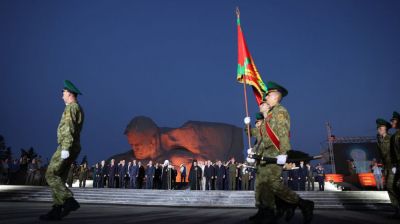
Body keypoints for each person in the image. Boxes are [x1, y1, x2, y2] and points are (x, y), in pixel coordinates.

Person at [244, 82, 314, 224]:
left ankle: (303, 204)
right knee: (261, 185)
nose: (266, 97)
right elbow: (259, 134)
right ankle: (265, 210)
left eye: (268, 95)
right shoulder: (269, 116)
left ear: (275, 96)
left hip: (274, 154)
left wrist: (284, 153)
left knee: (273, 184)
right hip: (264, 156)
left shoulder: (280, 111)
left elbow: (283, 132)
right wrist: (247, 126)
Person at [40, 80, 84, 220]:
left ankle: (69, 200)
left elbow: (68, 128)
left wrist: (65, 147)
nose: (62, 95)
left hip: (67, 146)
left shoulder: (71, 108)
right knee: (59, 177)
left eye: (63, 92)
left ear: (70, 94)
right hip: (72, 146)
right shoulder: (77, 107)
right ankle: (57, 210)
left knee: (50, 174)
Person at [377, 117, 399, 218]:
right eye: (378, 129)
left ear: (385, 128)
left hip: (393, 166)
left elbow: (395, 151)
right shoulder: (379, 140)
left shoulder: (391, 138)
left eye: (380, 128)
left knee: (393, 186)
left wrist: (395, 164)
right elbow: (382, 154)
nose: (379, 130)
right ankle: (396, 210)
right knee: (389, 188)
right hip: (386, 167)